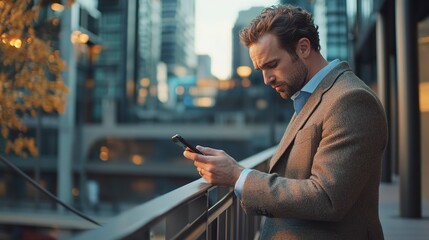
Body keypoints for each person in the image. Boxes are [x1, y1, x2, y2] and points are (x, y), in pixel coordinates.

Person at [183, 4, 387, 239]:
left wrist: (238, 176)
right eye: (260, 69)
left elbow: (327, 198)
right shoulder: (309, 97)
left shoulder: (350, 100)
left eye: (272, 65)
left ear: (303, 48)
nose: (266, 79)